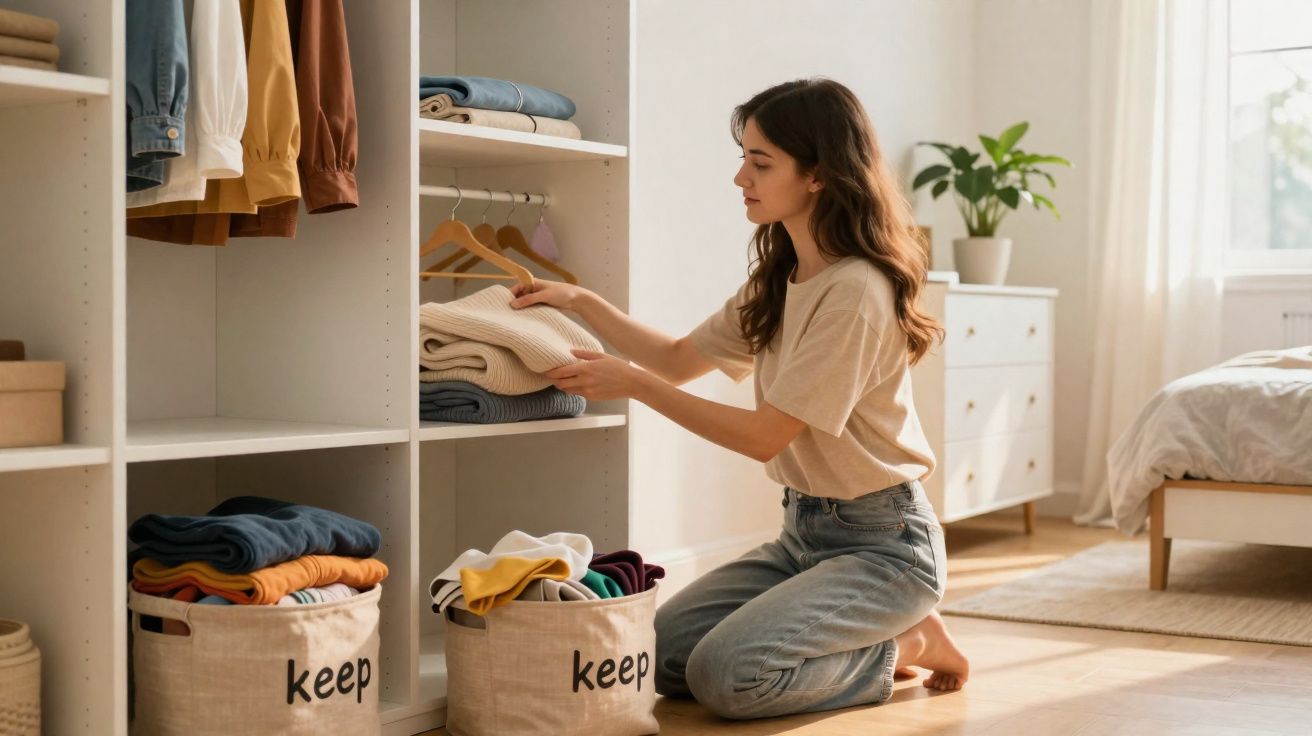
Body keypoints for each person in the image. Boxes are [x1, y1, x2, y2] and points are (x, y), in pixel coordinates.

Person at [508, 77, 968, 720]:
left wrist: (636, 387)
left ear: (817, 175)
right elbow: (676, 359)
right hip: (803, 534)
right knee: (658, 657)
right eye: (744, 158)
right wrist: (581, 302)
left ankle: (909, 638)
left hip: (885, 544)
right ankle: (882, 633)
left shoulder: (856, 292)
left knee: (729, 678)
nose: (740, 178)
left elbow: (762, 435)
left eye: (760, 162)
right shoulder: (782, 277)